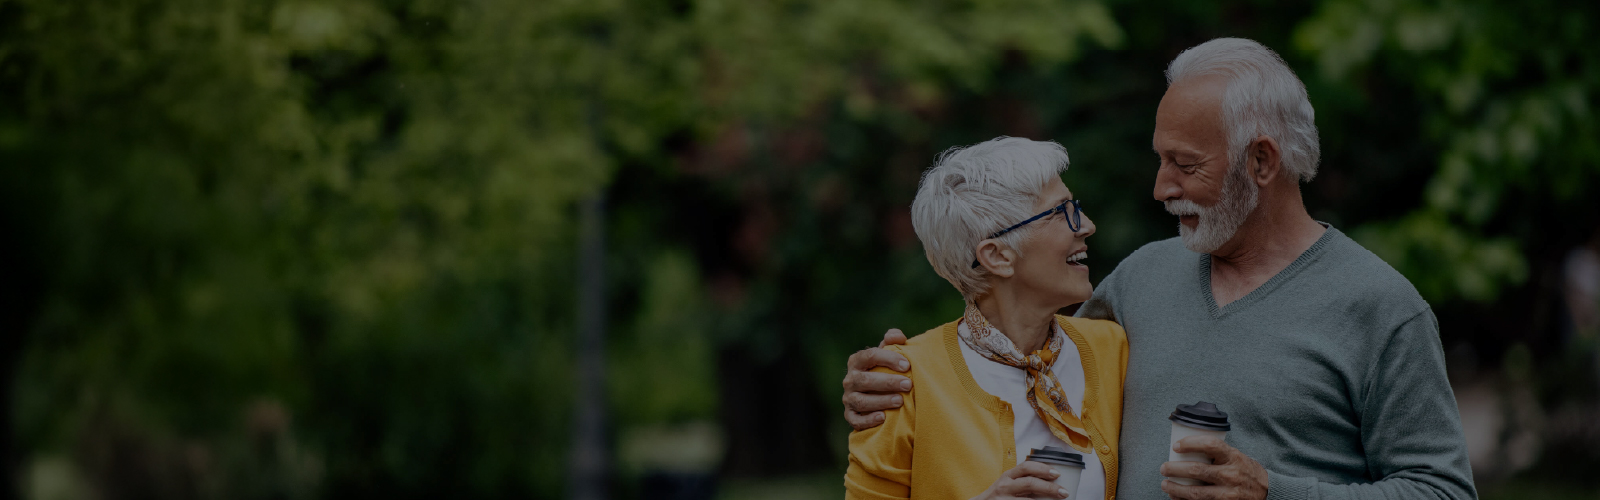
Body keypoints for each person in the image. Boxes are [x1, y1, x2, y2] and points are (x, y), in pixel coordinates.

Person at [840, 38, 1477, 500]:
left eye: (1185, 164)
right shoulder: (1140, 280)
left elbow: (1443, 493)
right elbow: (1021, 349)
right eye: (1158, 159)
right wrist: (890, 381)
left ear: (1260, 162)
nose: (1159, 187)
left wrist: (1272, 492)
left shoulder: (1381, 307)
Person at [845, 137, 1128, 500]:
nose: (1085, 225)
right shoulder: (902, 383)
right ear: (997, 256)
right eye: (1062, 212)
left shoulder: (1114, 348)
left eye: (1077, 207)